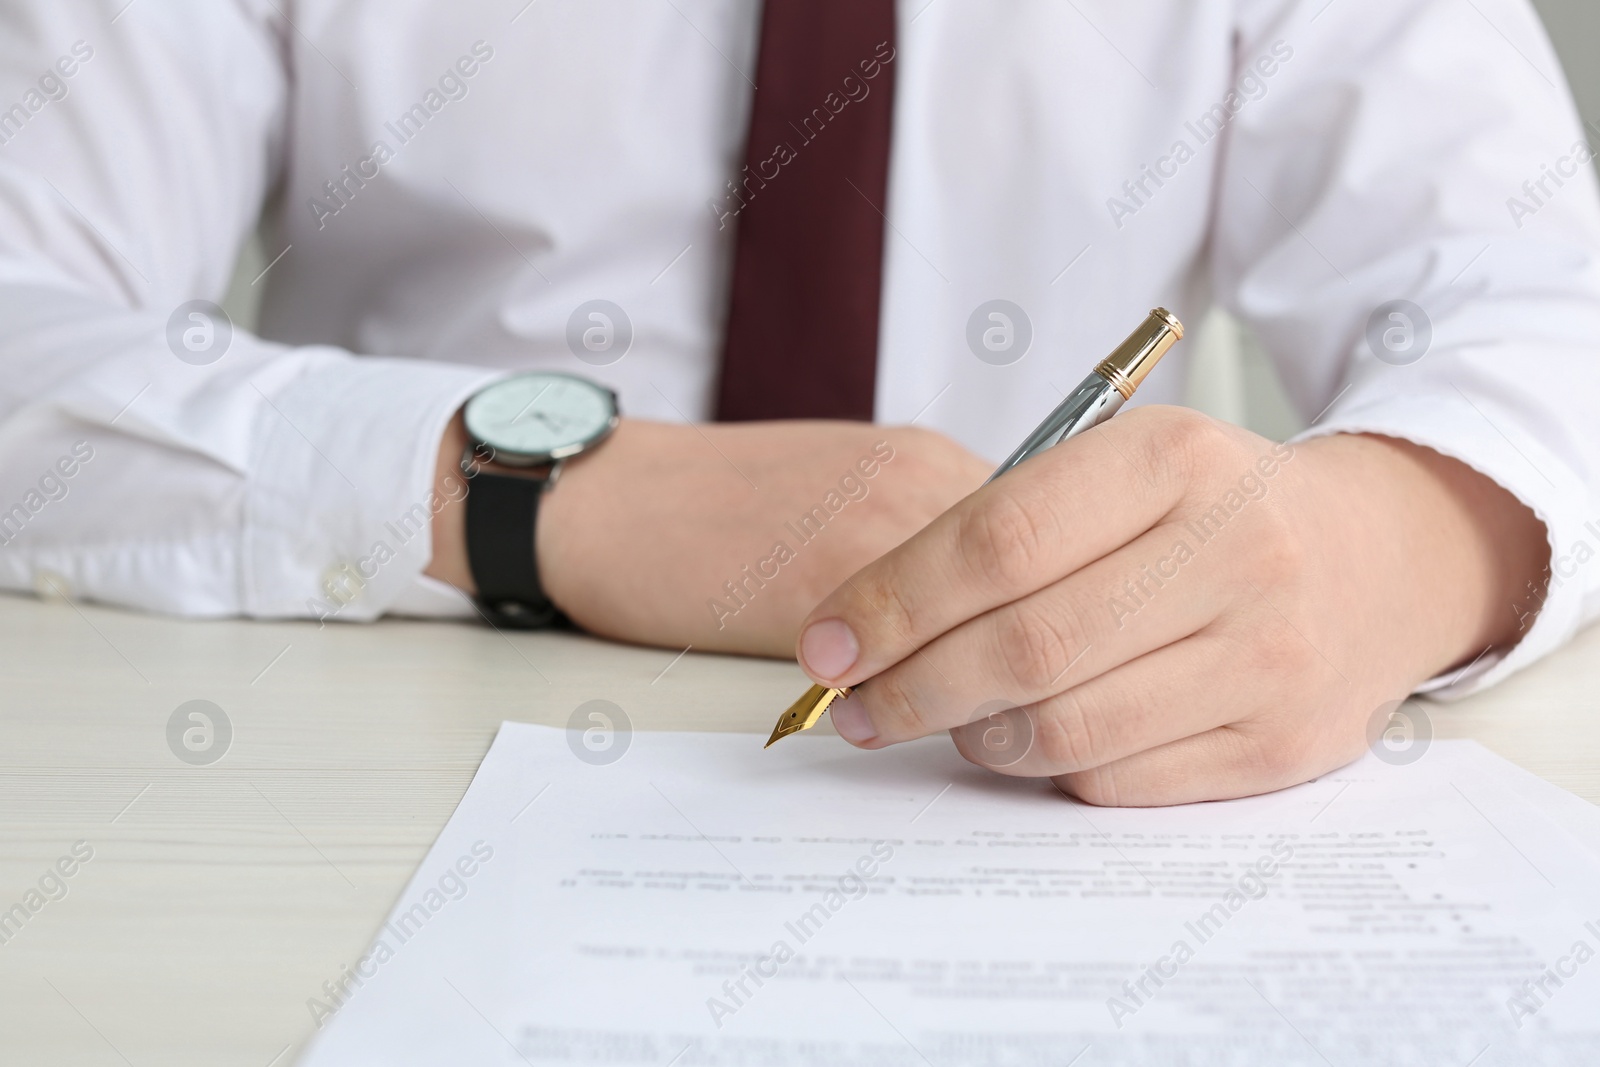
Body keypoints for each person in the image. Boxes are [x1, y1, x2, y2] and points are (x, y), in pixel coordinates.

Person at [0, 0, 1595, 805]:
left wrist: (1399, 536)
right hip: (350, 744)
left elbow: (1543, 306)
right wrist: (531, 492)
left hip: (1017, 793)